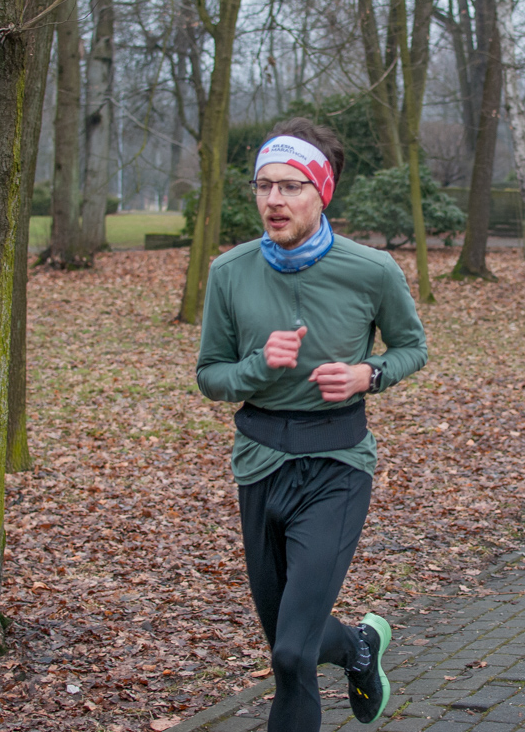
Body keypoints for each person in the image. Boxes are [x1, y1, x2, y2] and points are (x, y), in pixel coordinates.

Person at [195, 118, 428, 732]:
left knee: (293, 650)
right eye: (263, 185)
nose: (274, 199)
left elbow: (411, 347)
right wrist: (253, 367)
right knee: (286, 652)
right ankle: (357, 648)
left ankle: (347, 650)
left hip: (336, 465)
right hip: (260, 466)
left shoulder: (372, 270)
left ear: (320, 192)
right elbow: (210, 376)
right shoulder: (230, 273)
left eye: (291, 186)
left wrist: (368, 376)